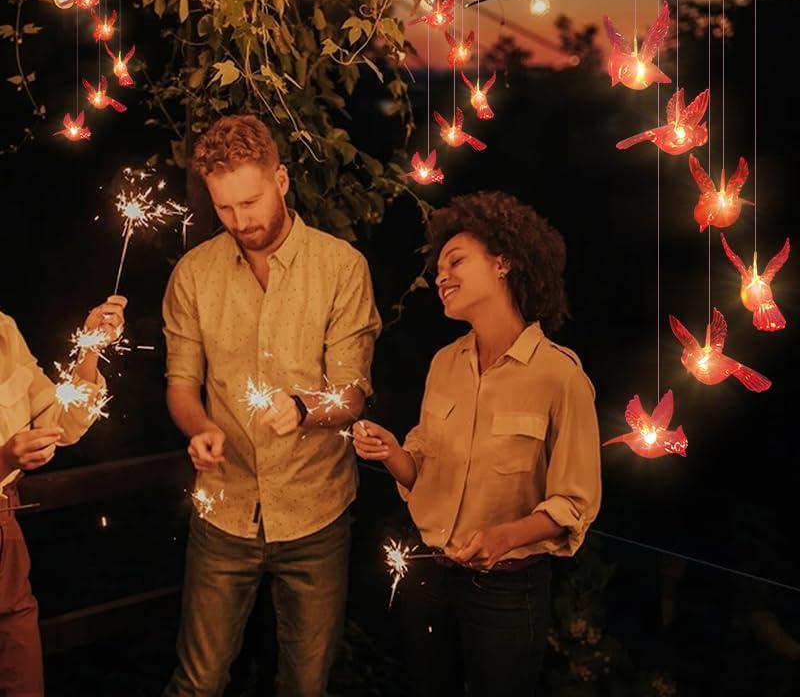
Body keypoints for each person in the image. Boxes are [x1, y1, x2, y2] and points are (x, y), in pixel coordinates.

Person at [162, 115, 381, 697]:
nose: (241, 221)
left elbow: (353, 393)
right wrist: (201, 427)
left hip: (316, 510)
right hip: (224, 511)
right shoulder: (193, 274)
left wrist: (306, 408)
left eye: (251, 201)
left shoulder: (341, 268)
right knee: (198, 681)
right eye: (225, 209)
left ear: (281, 180)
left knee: (306, 685)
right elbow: (182, 385)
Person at [354, 191, 602, 697]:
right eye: (438, 267)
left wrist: (504, 537)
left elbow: (576, 502)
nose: (439, 276)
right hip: (428, 574)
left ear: (504, 262)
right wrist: (392, 453)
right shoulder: (445, 364)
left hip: (508, 593)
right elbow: (421, 471)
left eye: (456, 261)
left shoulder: (560, 376)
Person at [0, 296, 126, 696]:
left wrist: (88, 349)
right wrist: (2, 460)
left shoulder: (3, 329)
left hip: (6, 544)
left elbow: (61, 421)